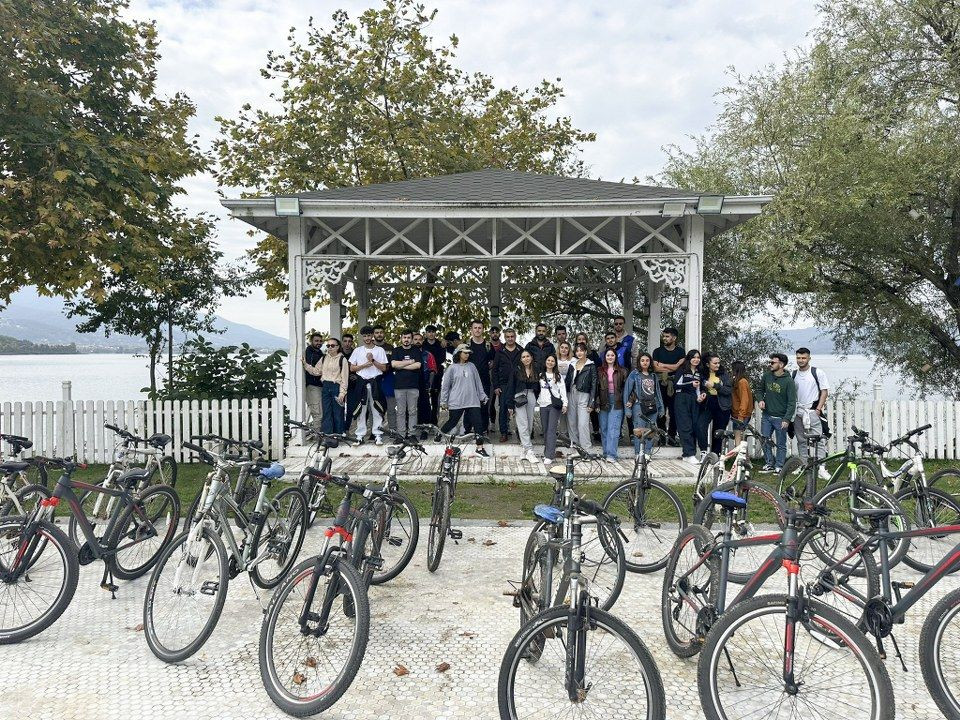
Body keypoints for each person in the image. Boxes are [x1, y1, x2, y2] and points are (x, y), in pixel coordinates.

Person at [439, 344, 489, 457]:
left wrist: (482, 396)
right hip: (456, 400)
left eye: (468, 353)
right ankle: (439, 435)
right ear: (459, 353)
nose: (467, 355)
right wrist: (443, 401)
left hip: (473, 400)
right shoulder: (451, 368)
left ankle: (480, 448)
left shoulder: (472, 366)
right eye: (465, 352)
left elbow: (478, 383)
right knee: (452, 422)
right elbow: (445, 386)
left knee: (478, 424)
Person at [792, 347, 830, 479]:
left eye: (803, 358)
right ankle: (803, 464)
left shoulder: (817, 372)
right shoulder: (794, 374)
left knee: (819, 439)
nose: (801, 360)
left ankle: (821, 467)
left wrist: (819, 408)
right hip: (798, 412)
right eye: (798, 358)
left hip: (813, 411)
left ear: (809, 358)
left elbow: (824, 391)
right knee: (801, 440)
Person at [349, 326, 389, 445]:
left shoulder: (379, 350)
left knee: (376, 409)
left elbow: (384, 368)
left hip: (375, 382)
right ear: (362, 337)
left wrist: (372, 361)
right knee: (361, 409)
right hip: (362, 382)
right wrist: (364, 365)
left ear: (372, 336)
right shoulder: (357, 350)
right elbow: (352, 368)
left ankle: (377, 435)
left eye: (369, 335)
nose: (367, 338)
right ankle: (360, 436)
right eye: (365, 336)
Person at [759, 352, 797, 473]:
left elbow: (792, 402)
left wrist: (787, 419)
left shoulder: (789, 381)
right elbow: (759, 390)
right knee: (765, 439)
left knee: (781, 443)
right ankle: (769, 463)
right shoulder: (766, 376)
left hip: (781, 418)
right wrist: (760, 400)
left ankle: (779, 465)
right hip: (767, 415)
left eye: (772, 362)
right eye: (770, 362)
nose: (770, 364)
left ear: (781, 364)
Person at [303, 337, 349, 434]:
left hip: (336, 386)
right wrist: (305, 365)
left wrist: (342, 393)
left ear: (338, 347)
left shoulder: (342, 359)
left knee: (338, 412)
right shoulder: (324, 358)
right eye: (328, 346)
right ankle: (328, 435)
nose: (330, 348)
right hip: (326, 386)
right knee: (326, 412)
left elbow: (344, 378)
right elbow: (316, 371)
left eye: (332, 345)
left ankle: (339, 434)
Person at [623, 352, 664, 456]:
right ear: (639, 362)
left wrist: (661, 407)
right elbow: (627, 391)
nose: (645, 363)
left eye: (647, 360)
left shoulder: (653, 375)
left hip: (652, 406)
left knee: (651, 430)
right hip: (638, 406)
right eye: (642, 360)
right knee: (639, 430)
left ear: (650, 362)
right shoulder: (634, 374)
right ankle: (639, 453)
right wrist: (627, 409)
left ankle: (647, 453)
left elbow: (658, 393)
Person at [652, 327, 685, 447]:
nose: (664, 338)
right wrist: (672, 366)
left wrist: (663, 365)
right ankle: (661, 437)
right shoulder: (657, 351)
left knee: (674, 412)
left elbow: (678, 368)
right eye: (664, 336)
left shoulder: (680, 352)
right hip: (660, 384)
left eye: (667, 336)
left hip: (675, 385)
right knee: (660, 411)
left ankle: (671, 437)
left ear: (674, 338)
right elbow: (655, 368)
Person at [506, 350, 541, 461]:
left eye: (528, 356)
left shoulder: (536, 369)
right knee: (522, 423)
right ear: (520, 359)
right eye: (523, 357)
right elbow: (510, 386)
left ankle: (524, 449)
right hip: (519, 396)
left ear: (531, 357)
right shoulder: (516, 370)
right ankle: (529, 450)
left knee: (530, 423)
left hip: (531, 396)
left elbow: (539, 386)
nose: (526, 358)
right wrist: (510, 404)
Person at [673, 349, 705, 464]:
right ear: (689, 358)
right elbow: (676, 385)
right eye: (694, 357)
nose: (696, 360)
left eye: (698, 357)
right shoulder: (682, 370)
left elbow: (698, 388)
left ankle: (689, 454)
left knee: (694, 426)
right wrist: (690, 384)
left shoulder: (699, 372)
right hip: (682, 399)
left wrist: (700, 396)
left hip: (694, 401)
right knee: (685, 426)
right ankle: (688, 454)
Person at [492, 328, 523, 442]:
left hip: (518, 384)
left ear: (515, 337)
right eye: (508, 337)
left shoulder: (521, 351)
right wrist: (496, 386)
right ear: (504, 338)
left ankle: (521, 432)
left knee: (520, 408)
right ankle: (504, 432)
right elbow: (494, 370)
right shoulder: (500, 352)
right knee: (503, 409)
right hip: (504, 384)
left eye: (512, 336)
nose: (510, 339)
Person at [597, 348, 627, 462]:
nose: (610, 357)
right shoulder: (600, 370)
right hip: (603, 401)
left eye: (612, 355)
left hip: (616, 400)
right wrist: (596, 402)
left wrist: (627, 401)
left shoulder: (622, 371)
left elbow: (627, 388)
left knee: (613, 429)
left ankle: (612, 455)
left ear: (616, 357)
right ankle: (605, 453)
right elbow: (596, 388)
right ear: (605, 357)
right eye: (608, 355)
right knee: (604, 428)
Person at [699, 352, 733, 454]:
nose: (718, 365)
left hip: (722, 406)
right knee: (700, 426)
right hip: (707, 404)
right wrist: (703, 392)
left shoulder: (724, 374)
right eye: (715, 363)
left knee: (718, 432)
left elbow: (728, 390)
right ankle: (704, 452)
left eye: (718, 363)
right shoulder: (702, 374)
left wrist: (715, 385)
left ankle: (715, 455)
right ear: (707, 364)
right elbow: (700, 388)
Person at [537, 354, 568, 464]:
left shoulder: (558, 375)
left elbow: (562, 390)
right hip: (543, 405)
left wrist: (565, 404)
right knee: (545, 430)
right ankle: (547, 452)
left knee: (551, 429)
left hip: (554, 405)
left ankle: (550, 455)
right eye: (548, 360)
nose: (550, 362)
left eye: (552, 361)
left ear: (555, 363)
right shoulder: (540, 375)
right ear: (545, 362)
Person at [390, 330, 422, 436]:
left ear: (412, 339)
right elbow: (394, 364)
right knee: (400, 412)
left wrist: (402, 365)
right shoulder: (396, 350)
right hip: (399, 386)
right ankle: (401, 435)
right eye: (404, 337)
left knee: (413, 412)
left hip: (413, 386)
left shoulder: (416, 350)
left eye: (408, 338)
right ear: (401, 338)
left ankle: (412, 434)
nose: (406, 340)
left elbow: (418, 365)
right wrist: (409, 362)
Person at [466, 319, 494, 435]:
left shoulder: (488, 345)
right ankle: (467, 429)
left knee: (483, 405)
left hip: (484, 381)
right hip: (469, 381)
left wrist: (486, 367)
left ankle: (482, 429)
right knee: (468, 405)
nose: (477, 330)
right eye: (475, 328)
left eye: (479, 328)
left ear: (483, 329)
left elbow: (492, 361)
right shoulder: (467, 345)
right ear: (471, 330)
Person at [568, 343, 597, 451]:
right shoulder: (572, 363)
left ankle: (586, 449)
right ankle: (574, 446)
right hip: (572, 392)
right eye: (577, 351)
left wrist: (592, 402)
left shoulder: (591, 365)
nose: (579, 353)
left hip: (584, 394)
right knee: (572, 421)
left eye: (581, 350)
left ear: (585, 351)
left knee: (583, 423)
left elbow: (594, 385)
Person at [373, 324, 396, 430]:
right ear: (373, 334)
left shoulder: (390, 347)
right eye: (377, 333)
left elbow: (393, 364)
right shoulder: (370, 348)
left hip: (388, 378)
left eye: (381, 332)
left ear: (384, 334)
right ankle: (376, 431)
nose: (379, 334)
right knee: (376, 407)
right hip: (374, 379)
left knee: (391, 407)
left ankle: (392, 429)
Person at [302, 332, 325, 430]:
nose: (318, 343)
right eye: (316, 341)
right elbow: (314, 371)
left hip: (319, 386)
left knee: (321, 412)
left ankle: (320, 435)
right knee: (317, 414)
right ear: (311, 341)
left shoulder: (319, 353)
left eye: (320, 341)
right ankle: (318, 438)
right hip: (312, 386)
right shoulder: (310, 353)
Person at [423, 325, 446, 423]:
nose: (431, 334)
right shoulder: (423, 344)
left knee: (435, 398)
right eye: (429, 331)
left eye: (433, 332)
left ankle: (434, 421)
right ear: (426, 333)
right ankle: (425, 421)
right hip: (424, 374)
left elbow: (442, 359)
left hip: (437, 374)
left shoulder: (440, 344)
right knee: (424, 398)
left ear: (435, 333)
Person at [413, 332, 437, 424]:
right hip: (410, 384)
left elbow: (432, 370)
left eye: (420, 339)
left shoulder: (428, 355)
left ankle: (425, 429)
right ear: (412, 341)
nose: (418, 341)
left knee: (425, 407)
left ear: (423, 341)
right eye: (415, 339)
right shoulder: (406, 354)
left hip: (424, 385)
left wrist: (429, 385)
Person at [730, 360, 754, 445]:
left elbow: (745, 399)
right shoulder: (737, 381)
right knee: (741, 439)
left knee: (738, 438)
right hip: (737, 413)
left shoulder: (742, 382)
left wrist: (741, 415)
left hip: (740, 415)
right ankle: (745, 458)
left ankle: (739, 457)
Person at [342, 332, 359, 430]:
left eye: (349, 341)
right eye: (345, 341)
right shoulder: (338, 353)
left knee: (351, 408)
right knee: (340, 408)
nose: (347, 343)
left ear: (352, 342)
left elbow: (361, 367)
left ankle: (347, 429)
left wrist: (356, 376)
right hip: (341, 385)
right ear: (342, 342)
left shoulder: (356, 353)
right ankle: (340, 429)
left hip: (353, 385)